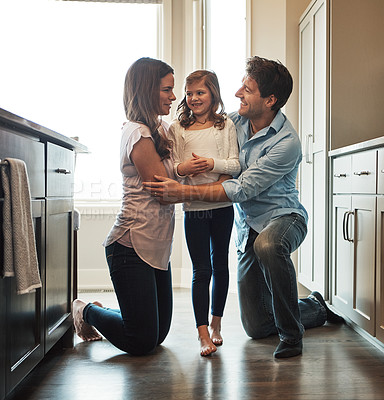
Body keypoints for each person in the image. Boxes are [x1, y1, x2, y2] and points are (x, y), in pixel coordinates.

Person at [143, 56, 343, 359]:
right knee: (257, 325)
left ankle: (292, 337)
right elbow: (201, 132)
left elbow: (243, 187)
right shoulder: (233, 123)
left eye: (247, 89)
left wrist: (182, 191)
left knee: (268, 244)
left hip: (283, 217)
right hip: (248, 223)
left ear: (270, 99)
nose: (238, 94)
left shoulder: (286, 143)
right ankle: (315, 307)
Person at [72, 57, 177, 355]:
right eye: (167, 89)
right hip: (129, 245)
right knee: (140, 341)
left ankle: (112, 313)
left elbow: (176, 174)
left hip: (156, 245)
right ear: (147, 90)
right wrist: (213, 193)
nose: (173, 96)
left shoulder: (162, 129)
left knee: (157, 336)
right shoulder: (136, 132)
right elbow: (163, 192)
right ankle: (86, 311)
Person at [169, 70, 240, 356]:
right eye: (190, 93)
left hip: (222, 206)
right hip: (194, 209)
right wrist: (184, 169)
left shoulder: (225, 126)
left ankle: (216, 325)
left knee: (220, 265)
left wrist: (211, 163)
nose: (194, 98)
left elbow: (235, 165)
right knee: (202, 269)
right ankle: (201, 334)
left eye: (201, 92)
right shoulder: (179, 128)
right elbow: (173, 167)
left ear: (213, 95)